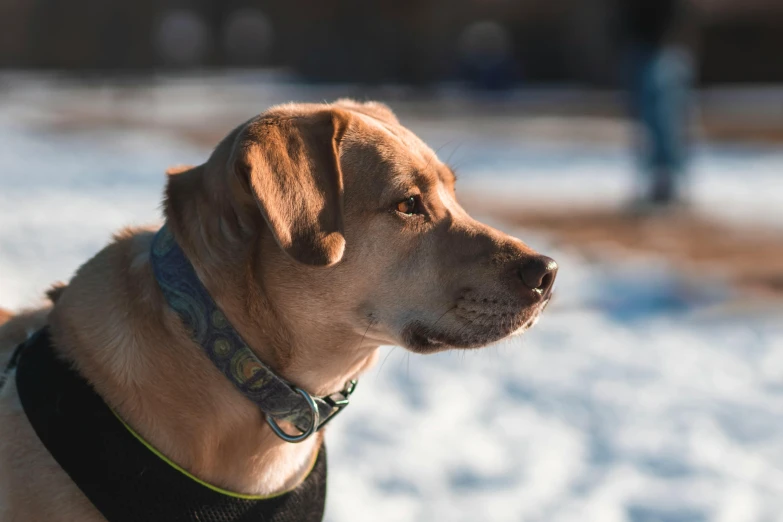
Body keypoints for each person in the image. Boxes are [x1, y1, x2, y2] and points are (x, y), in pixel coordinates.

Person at [616, 0, 695, 209]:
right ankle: (657, 181)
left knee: (663, 118)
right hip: (642, 47)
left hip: (662, 48)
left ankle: (666, 183)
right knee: (648, 120)